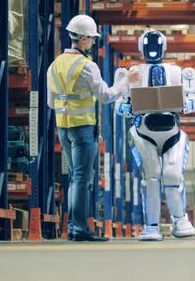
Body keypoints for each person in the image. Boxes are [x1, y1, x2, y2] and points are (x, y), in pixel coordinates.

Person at [47, 14, 141, 242]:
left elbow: (51, 102)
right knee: (81, 179)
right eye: (91, 38)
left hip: (63, 128)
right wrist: (126, 80)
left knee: (75, 178)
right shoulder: (87, 66)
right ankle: (79, 229)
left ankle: (73, 226)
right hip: (83, 129)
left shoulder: (55, 64)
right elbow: (106, 96)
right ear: (83, 39)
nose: (92, 42)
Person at [115, 30, 195, 241]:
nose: (153, 50)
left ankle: (179, 220)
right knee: (151, 178)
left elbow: (190, 102)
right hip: (144, 131)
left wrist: (186, 104)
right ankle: (151, 225)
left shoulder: (179, 72)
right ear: (141, 48)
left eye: (156, 45)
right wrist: (126, 107)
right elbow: (120, 104)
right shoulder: (132, 72)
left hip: (171, 131)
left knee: (172, 175)